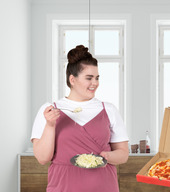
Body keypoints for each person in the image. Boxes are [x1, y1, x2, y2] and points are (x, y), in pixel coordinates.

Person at [31, 45, 129, 192]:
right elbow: (42, 158)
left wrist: (106, 156)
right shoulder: (50, 110)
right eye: (89, 78)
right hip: (63, 187)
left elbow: (123, 154)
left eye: (97, 78)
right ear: (72, 79)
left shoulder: (108, 109)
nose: (95, 83)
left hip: (104, 187)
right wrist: (50, 125)